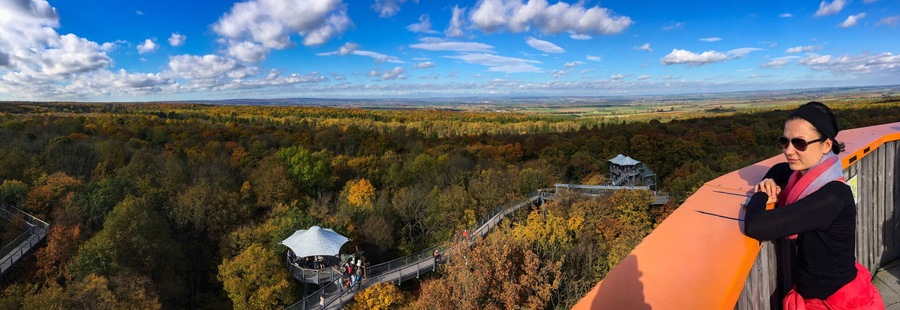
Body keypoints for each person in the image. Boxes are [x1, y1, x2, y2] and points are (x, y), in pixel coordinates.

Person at [743, 102, 883, 309]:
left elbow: (757, 225)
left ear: (826, 145)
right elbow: (779, 168)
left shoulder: (832, 196)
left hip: (833, 301)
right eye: (785, 141)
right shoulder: (811, 175)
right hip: (820, 291)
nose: (789, 151)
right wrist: (770, 180)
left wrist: (761, 194)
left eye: (799, 143)